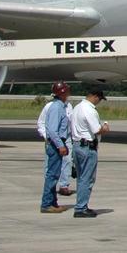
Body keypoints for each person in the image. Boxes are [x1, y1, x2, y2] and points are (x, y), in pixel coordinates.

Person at [69, 87, 110, 218]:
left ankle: (81, 205)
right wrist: (105, 128)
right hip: (87, 147)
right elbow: (97, 130)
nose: (99, 102)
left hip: (77, 145)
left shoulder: (77, 107)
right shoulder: (89, 110)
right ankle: (81, 207)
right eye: (99, 99)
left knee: (81, 178)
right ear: (95, 96)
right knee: (87, 179)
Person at [38, 81, 73, 213]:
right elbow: (52, 130)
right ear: (62, 93)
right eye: (67, 91)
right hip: (55, 144)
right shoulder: (57, 108)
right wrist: (60, 145)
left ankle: (53, 203)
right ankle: (47, 204)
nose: (69, 93)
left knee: (55, 174)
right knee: (52, 175)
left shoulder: (61, 106)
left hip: (57, 143)